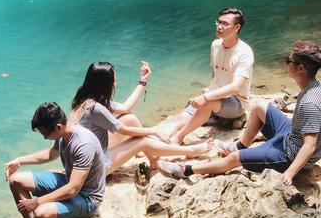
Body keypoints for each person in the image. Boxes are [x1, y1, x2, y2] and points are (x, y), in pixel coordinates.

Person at [158, 41, 321, 186]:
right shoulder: (319, 86)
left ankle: (184, 170)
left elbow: (309, 146)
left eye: (289, 61)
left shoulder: (311, 103)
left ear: (300, 69)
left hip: (289, 154)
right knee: (259, 107)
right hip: (291, 136)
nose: (287, 63)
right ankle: (241, 146)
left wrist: (289, 173)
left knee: (234, 159)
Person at [70, 61, 213, 174]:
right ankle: (191, 151)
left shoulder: (86, 100)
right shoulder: (96, 108)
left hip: (87, 157)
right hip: (92, 168)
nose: (115, 84)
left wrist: (142, 81)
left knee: (129, 117)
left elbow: (126, 108)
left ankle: (154, 160)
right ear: (105, 85)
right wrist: (153, 131)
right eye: (113, 81)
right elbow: (125, 131)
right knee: (142, 140)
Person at [161, 8, 254, 145]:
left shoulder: (244, 52)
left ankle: (178, 138)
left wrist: (206, 97)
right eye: (218, 22)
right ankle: (155, 141)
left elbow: (236, 87)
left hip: (236, 102)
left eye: (224, 24)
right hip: (213, 96)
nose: (219, 27)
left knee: (207, 102)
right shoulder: (215, 45)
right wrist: (211, 90)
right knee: (178, 119)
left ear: (237, 27)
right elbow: (216, 73)